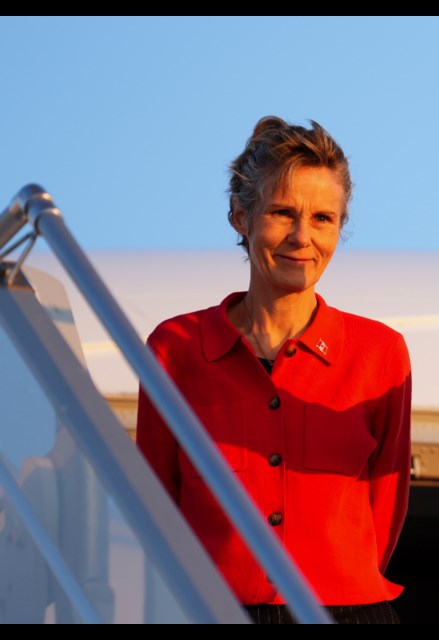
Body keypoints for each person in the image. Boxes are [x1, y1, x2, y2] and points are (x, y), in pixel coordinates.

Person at [136, 116, 411, 624]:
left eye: (324, 219)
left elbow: (385, 511)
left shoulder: (380, 352)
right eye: (283, 213)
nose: (302, 238)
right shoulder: (174, 349)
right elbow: (156, 500)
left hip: (350, 611)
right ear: (241, 217)